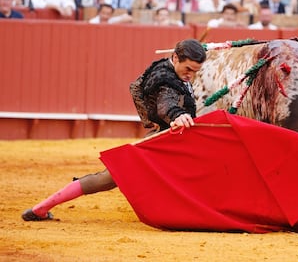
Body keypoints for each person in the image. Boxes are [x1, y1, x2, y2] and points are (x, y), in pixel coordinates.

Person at [21, 38, 207, 221]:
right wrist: (175, 115)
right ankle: (41, 208)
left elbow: (141, 90)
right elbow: (165, 105)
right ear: (175, 58)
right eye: (188, 69)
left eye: (195, 71)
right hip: (163, 141)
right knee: (108, 178)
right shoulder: (165, 79)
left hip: (167, 138)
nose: (190, 75)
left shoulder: (167, 70)